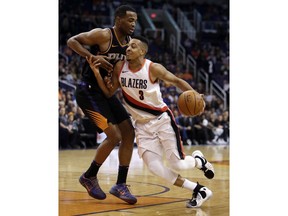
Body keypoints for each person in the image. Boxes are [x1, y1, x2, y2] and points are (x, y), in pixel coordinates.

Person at [87, 35, 215, 208]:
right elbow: (109, 93)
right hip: (141, 125)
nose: (128, 49)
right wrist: (96, 73)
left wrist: (197, 96)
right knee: (155, 168)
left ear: (143, 51)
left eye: (133, 46)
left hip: (162, 120)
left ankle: (200, 161)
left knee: (178, 164)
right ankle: (198, 189)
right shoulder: (119, 67)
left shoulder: (153, 68)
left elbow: (176, 81)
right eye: (128, 46)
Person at [66, 5, 138, 204]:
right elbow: (72, 41)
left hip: (106, 93)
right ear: (118, 20)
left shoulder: (130, 44)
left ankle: (120, 184)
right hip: (87, 92)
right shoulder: (104, 35)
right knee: (114, 136)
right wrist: (92, 56)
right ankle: (89, 176)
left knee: (129, 133)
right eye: (130, 20)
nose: (133, 24)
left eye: (136, 21)